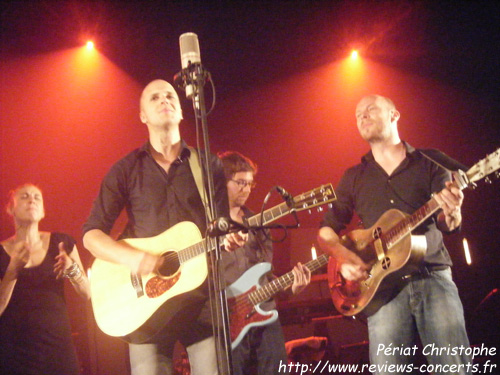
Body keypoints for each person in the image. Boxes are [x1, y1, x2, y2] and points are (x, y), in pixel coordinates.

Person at [82, 79, 244, 375]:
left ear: (181, 112)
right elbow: (92, 236)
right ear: (143, 115)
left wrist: (228, 238)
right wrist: (133, 258)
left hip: (201, 298)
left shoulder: (206, 163)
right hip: (145, 307)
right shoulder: (126, 169)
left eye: (170, 95)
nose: (164, 100)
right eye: (155, 97)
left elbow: (221, 228)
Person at [317, 95, 472, 374]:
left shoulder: (430, 162)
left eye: (370, 109)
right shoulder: (353, 176)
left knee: (454, 367)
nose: (362, 116)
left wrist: (453, 212)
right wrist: (344, 255)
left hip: (431, 274)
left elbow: (447, 222)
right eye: (357, 114)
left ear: (394, 115)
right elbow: (326, 230)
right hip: (382, 288)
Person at [219, 151, 311, 375]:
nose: (247, 189)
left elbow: (265, 277)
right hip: (225, 319)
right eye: (240, 182)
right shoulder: (207, 225)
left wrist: (291, 288)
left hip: (265, 314)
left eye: (250, 184)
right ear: (221, 181)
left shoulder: (259, 224)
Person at [0, 183, 91, 375]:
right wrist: (12, 271)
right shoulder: (1, 252)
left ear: (43, 212)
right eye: (24, 196)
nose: (31, 199)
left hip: (58, 350)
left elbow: (87, 294)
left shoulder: (61, 242)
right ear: (10, 208)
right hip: (14, 353)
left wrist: (71, 269)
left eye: (36, 197)